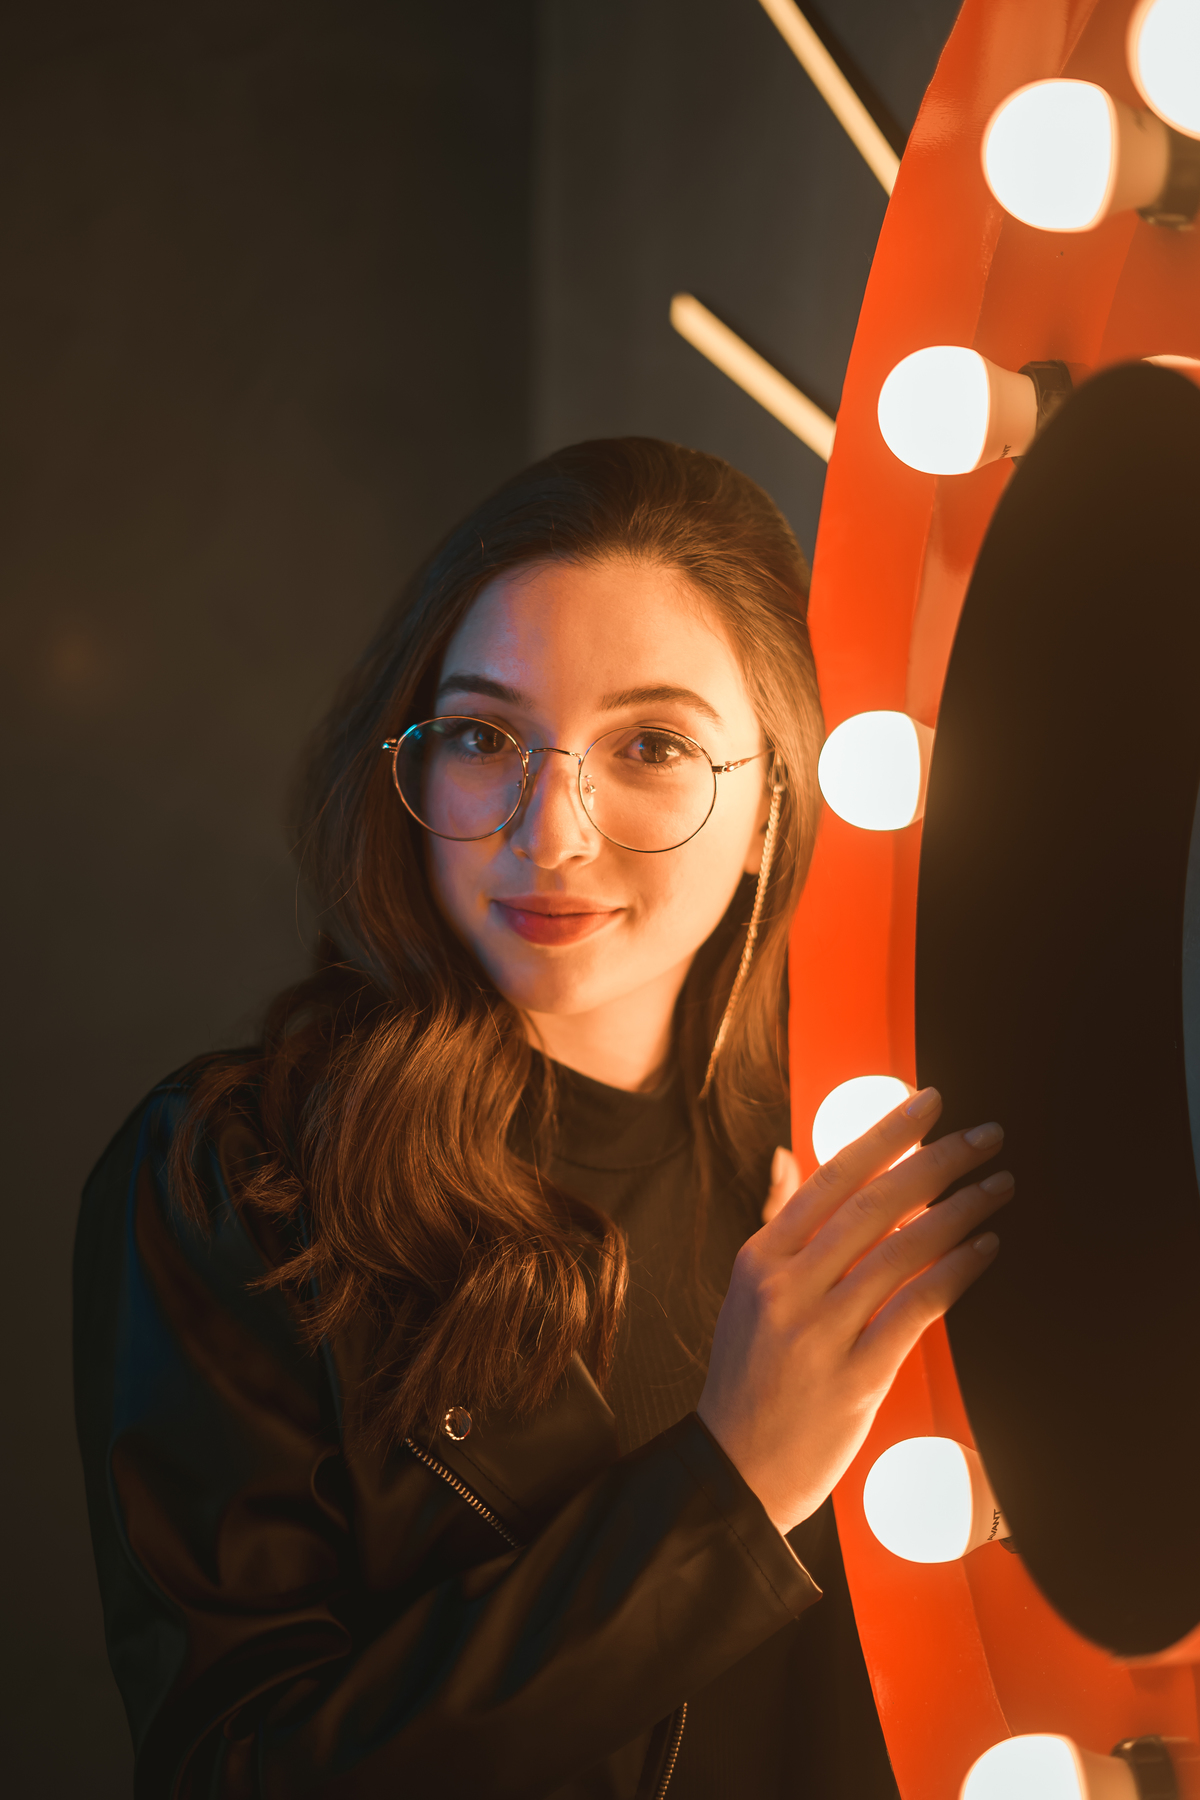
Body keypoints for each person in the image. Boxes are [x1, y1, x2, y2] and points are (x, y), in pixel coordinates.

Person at [73, 437, 1011, 1800]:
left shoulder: (857, 1151)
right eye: (484, 736)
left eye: (652, 746)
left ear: (772, 805)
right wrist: (725, 1488)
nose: (551, 833)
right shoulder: (242, 1177)